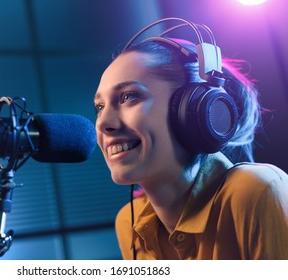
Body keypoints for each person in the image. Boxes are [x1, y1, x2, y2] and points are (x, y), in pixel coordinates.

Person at [93, 18, 288, 260]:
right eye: (99, 107)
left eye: (128, 97)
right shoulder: (128, 222)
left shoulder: (257, 193)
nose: (102, 124)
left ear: (192, 109)